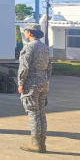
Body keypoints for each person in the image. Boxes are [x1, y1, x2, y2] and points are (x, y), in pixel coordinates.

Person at [18, 23, 53, 153]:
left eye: (26, 31)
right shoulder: (45, 48)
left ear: (30, 33)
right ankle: (42, 143)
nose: (25, 33)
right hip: (44, 81)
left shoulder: (29, 47)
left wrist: (21, 83)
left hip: (31, 83)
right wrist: (45, 79)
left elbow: (24, 67)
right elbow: (49, 67)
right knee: (41, 113)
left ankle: (35, 143)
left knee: (33, 113)